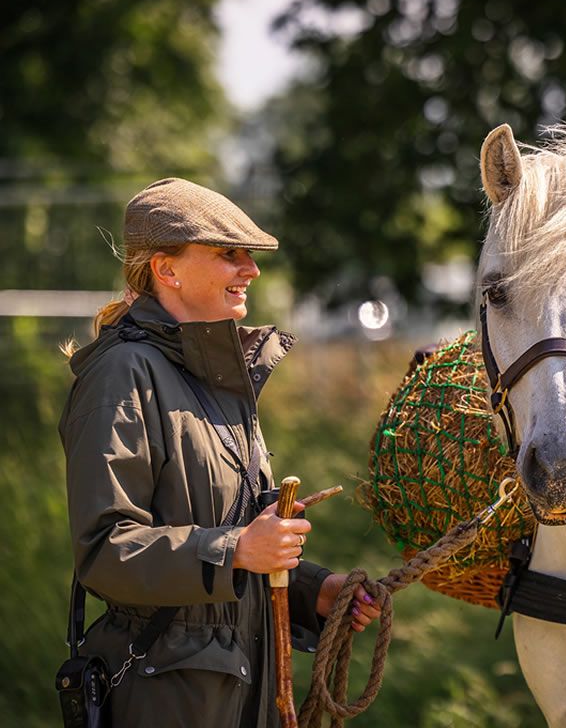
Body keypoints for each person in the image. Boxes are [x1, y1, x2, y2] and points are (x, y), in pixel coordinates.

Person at [59, 178, 380, 726]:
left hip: (244, 694)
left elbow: (238, 538)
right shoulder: (121, 374)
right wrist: (235, 549)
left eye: (248, 256)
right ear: (167, 269)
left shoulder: (218, 378)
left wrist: (313, 592)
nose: (250, 270)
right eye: (228, 254)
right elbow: (105, 551)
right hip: (166, 701)